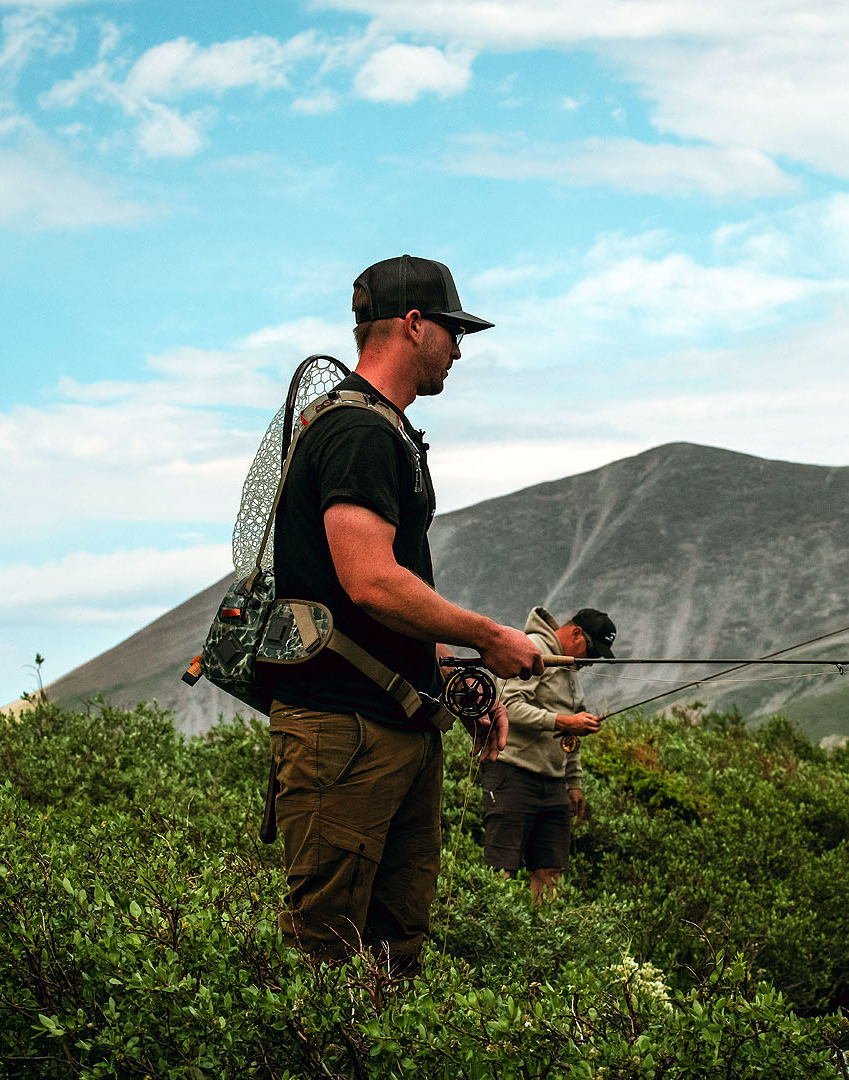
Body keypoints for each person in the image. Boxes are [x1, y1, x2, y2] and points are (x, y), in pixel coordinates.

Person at [262, 254, 542, 975]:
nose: (459, 348)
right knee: (325, 954)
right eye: (452, 330)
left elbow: (394, 594)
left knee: (396, 954)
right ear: (413, 325)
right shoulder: (358, 434)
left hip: (395, 725)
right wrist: (489, 637)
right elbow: (370, 582)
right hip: (345, 733)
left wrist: (458, 680)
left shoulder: (384, 430)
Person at [483, 606, 617, 902]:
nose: (592, 662)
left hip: (554, 783)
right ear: (576, 633)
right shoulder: (531, 650)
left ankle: (543, 940)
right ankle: (493, 941)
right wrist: (562, 721)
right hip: (512, 772)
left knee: (550, 871)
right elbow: (509, 706)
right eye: (592, 652)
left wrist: (575, 783)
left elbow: (570, 733)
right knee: (500, 869)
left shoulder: (570, 670)